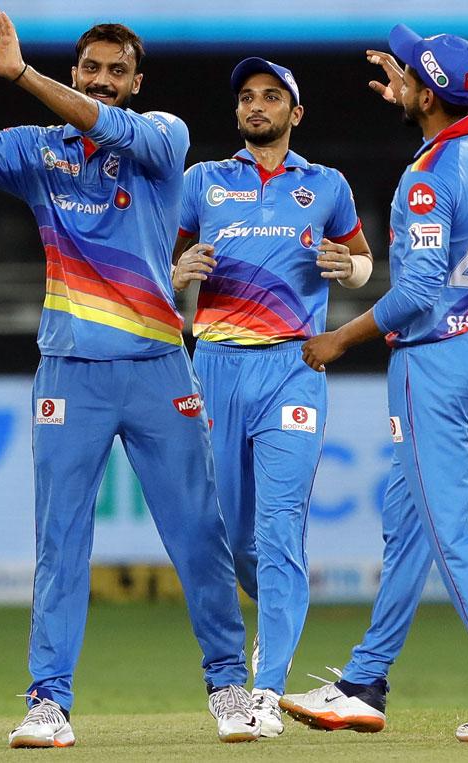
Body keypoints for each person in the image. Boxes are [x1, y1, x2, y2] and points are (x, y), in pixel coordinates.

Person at [0, 4, 256, 745]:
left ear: (137, 83)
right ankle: (49, 702)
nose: (102, 81)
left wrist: (17, 73)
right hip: (70, 372)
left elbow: (105, 126)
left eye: (116, 72)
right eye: (92, 69)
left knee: (198, 532)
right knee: (61, 540)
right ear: (78, 71)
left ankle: (231, 686)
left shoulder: (162, 139)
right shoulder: (39, 150)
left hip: (157, 365)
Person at [278, 25, 468, 743]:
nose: (394, 75)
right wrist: (417, 91)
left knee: (450, 529)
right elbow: (448, 133)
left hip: (430, 358)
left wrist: (340, 337)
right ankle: (365, 682)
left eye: (406, 73)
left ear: (428, 94)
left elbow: (418, 292)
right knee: (410, 529)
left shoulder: (425, 179)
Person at [173, 57, 372, 736]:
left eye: (271, 97)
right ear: (237, 114)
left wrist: (351, 269)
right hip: (218, 366)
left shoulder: (327, 186)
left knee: (281, 528)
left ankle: (268, 687)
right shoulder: (203, 181)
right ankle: (276, 620)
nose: (257, 106)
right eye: (248, 98)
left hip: (293, 366)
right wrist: (175, 273)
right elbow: (155, 268)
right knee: (236, 538)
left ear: (296, 113)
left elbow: (363, 260)